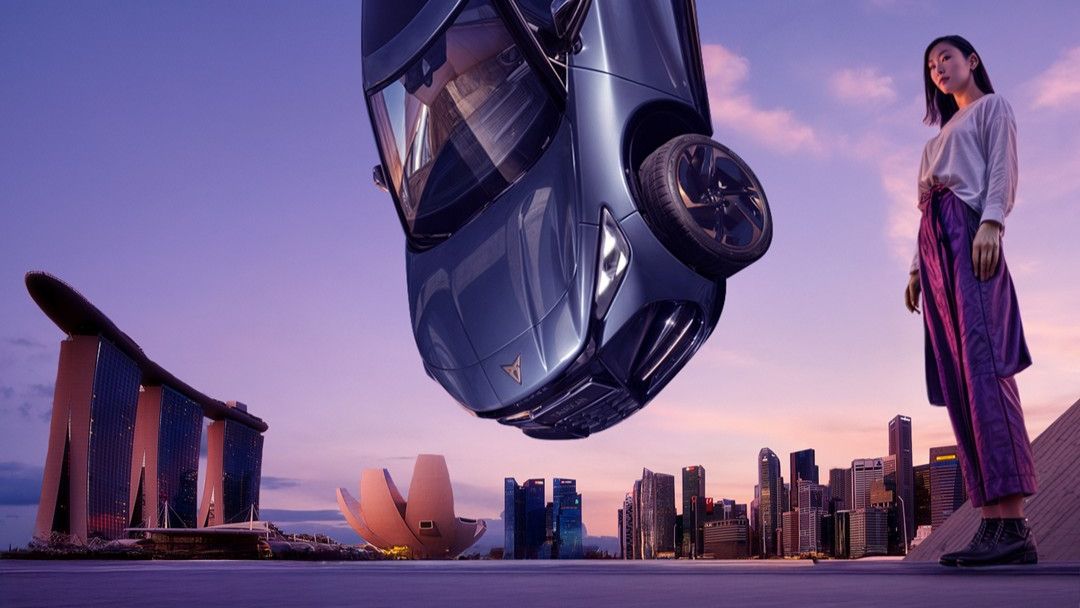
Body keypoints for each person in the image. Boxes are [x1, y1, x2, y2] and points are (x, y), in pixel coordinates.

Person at [903, 35, 1038, 567]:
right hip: (934, 246)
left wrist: (993, 223)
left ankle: (1015, 525)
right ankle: (991, 524)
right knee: (958, 382)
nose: (939, 69)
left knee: (986, 367)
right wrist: (915, 269)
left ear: (972, 60)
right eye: (931, 66)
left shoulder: (991, 108)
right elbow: (921, 211)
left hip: (969, 229)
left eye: (947, 59)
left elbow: (1002, 169)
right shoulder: (932, 143)